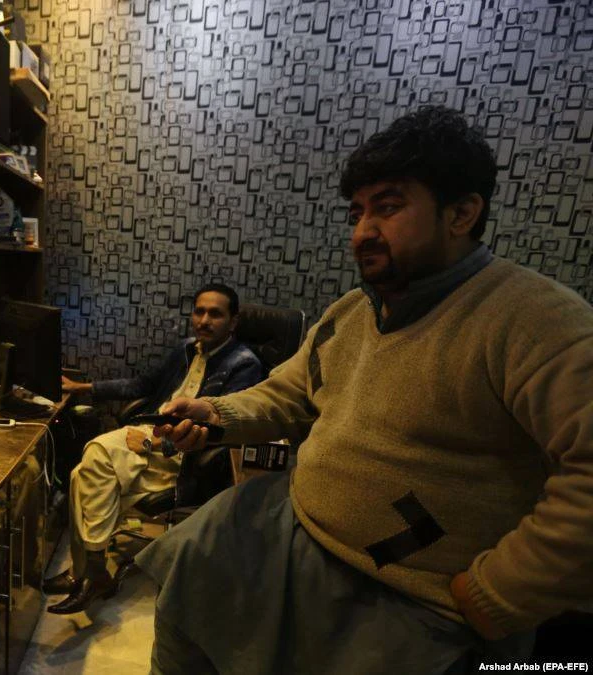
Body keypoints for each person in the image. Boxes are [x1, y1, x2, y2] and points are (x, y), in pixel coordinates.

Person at [146, 106, 593, 673]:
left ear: (462, 213)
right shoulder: (351, 311)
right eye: (357, 212)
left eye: (388, 207)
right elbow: (290, 393)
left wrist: (495, 594)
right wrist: (215, 412)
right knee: (183, 594)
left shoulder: (535, 320)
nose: (362, 233)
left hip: (411, 593)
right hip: (290, 525)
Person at [44, 283, 264, 614]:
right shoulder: (186, 349)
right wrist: (82, 387)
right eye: (199, 311)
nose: (204, 320)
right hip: (149, 433)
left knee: (92, 462)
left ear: (233, 322)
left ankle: (88, 572)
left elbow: (221, 430)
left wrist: (153, 443)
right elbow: (142, 385)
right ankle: (90, 573)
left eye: (215, 314)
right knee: (85, 474)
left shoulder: (244, 365)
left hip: (181, 453)